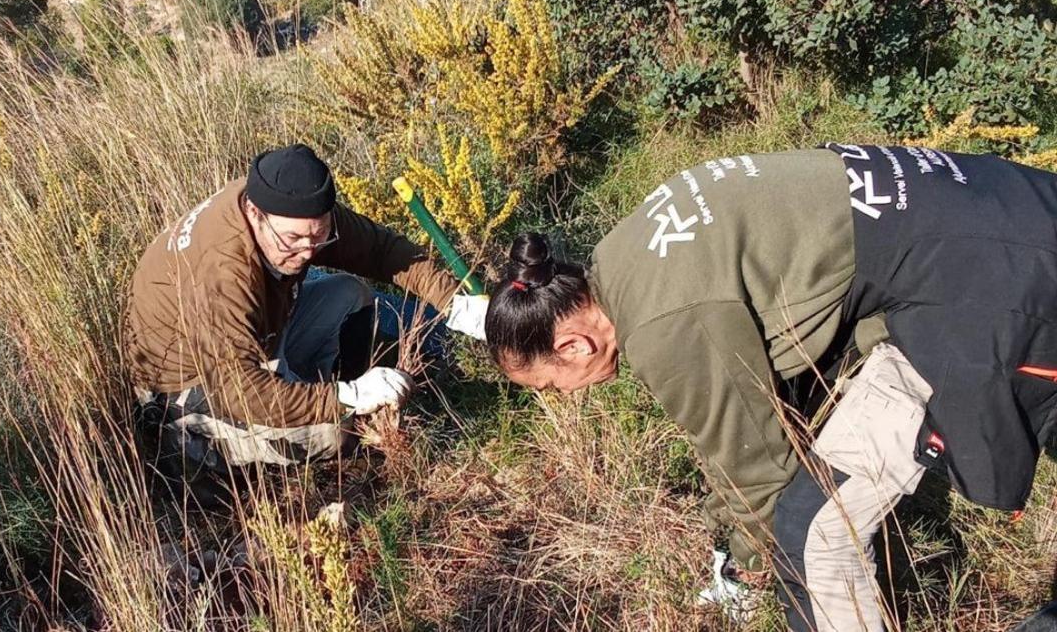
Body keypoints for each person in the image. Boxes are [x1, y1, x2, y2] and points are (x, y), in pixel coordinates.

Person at [484, 144, 1057, 632]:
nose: (567, 396)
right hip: (1005, 207)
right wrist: (723, 527)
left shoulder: (664, 324)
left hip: (994, 285)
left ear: (573, 347)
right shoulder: (621, 260)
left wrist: (746, 565)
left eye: (551, 386)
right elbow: (733, 431)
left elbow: (761, 467)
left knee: (811, 537)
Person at [124, 144, 487, 501]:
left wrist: (456, 303)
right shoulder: (224, 272)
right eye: (293, 240)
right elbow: (239, 390)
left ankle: (309, 388)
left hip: (258, 336)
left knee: (349, 294)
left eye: (319, 236)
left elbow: (381, 250)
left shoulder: (292, 206)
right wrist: (346, 397)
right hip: (193, 384)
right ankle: (191, 452)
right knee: (334, 431)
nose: (307, 251)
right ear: (254, 213)